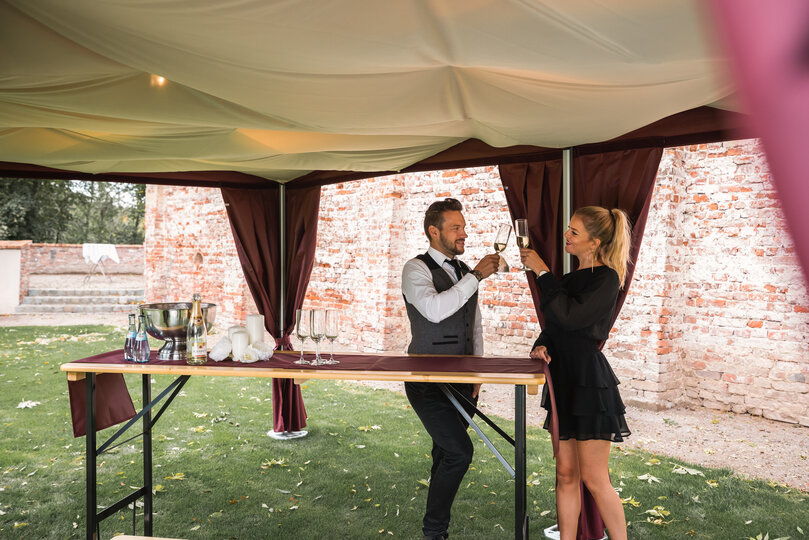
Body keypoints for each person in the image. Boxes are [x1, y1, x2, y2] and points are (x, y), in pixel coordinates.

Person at [520, 206, 631, 540]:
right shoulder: (567, 280)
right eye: (567, 229)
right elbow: (554, 326)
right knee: (565, 474)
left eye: (574, 232)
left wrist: (542, 272)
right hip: (562, 381)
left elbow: (571, 317)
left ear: (594, 243)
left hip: (589, 384)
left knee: (595, 479)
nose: (565, 236)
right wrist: (541, 345)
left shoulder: (607, 279)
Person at [401, 197, 500, 540]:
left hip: (463, 379)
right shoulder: (415, 269)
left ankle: (435, 530)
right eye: (456, 228)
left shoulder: (462, 270)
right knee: (460, 452)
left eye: (464, 226)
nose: (464, 234)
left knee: (445, 452)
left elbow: (475, 325)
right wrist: (475, 277)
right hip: (426, 381)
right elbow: (433, 309)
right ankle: (434, 531)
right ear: (434, 231)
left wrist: (477, 372)